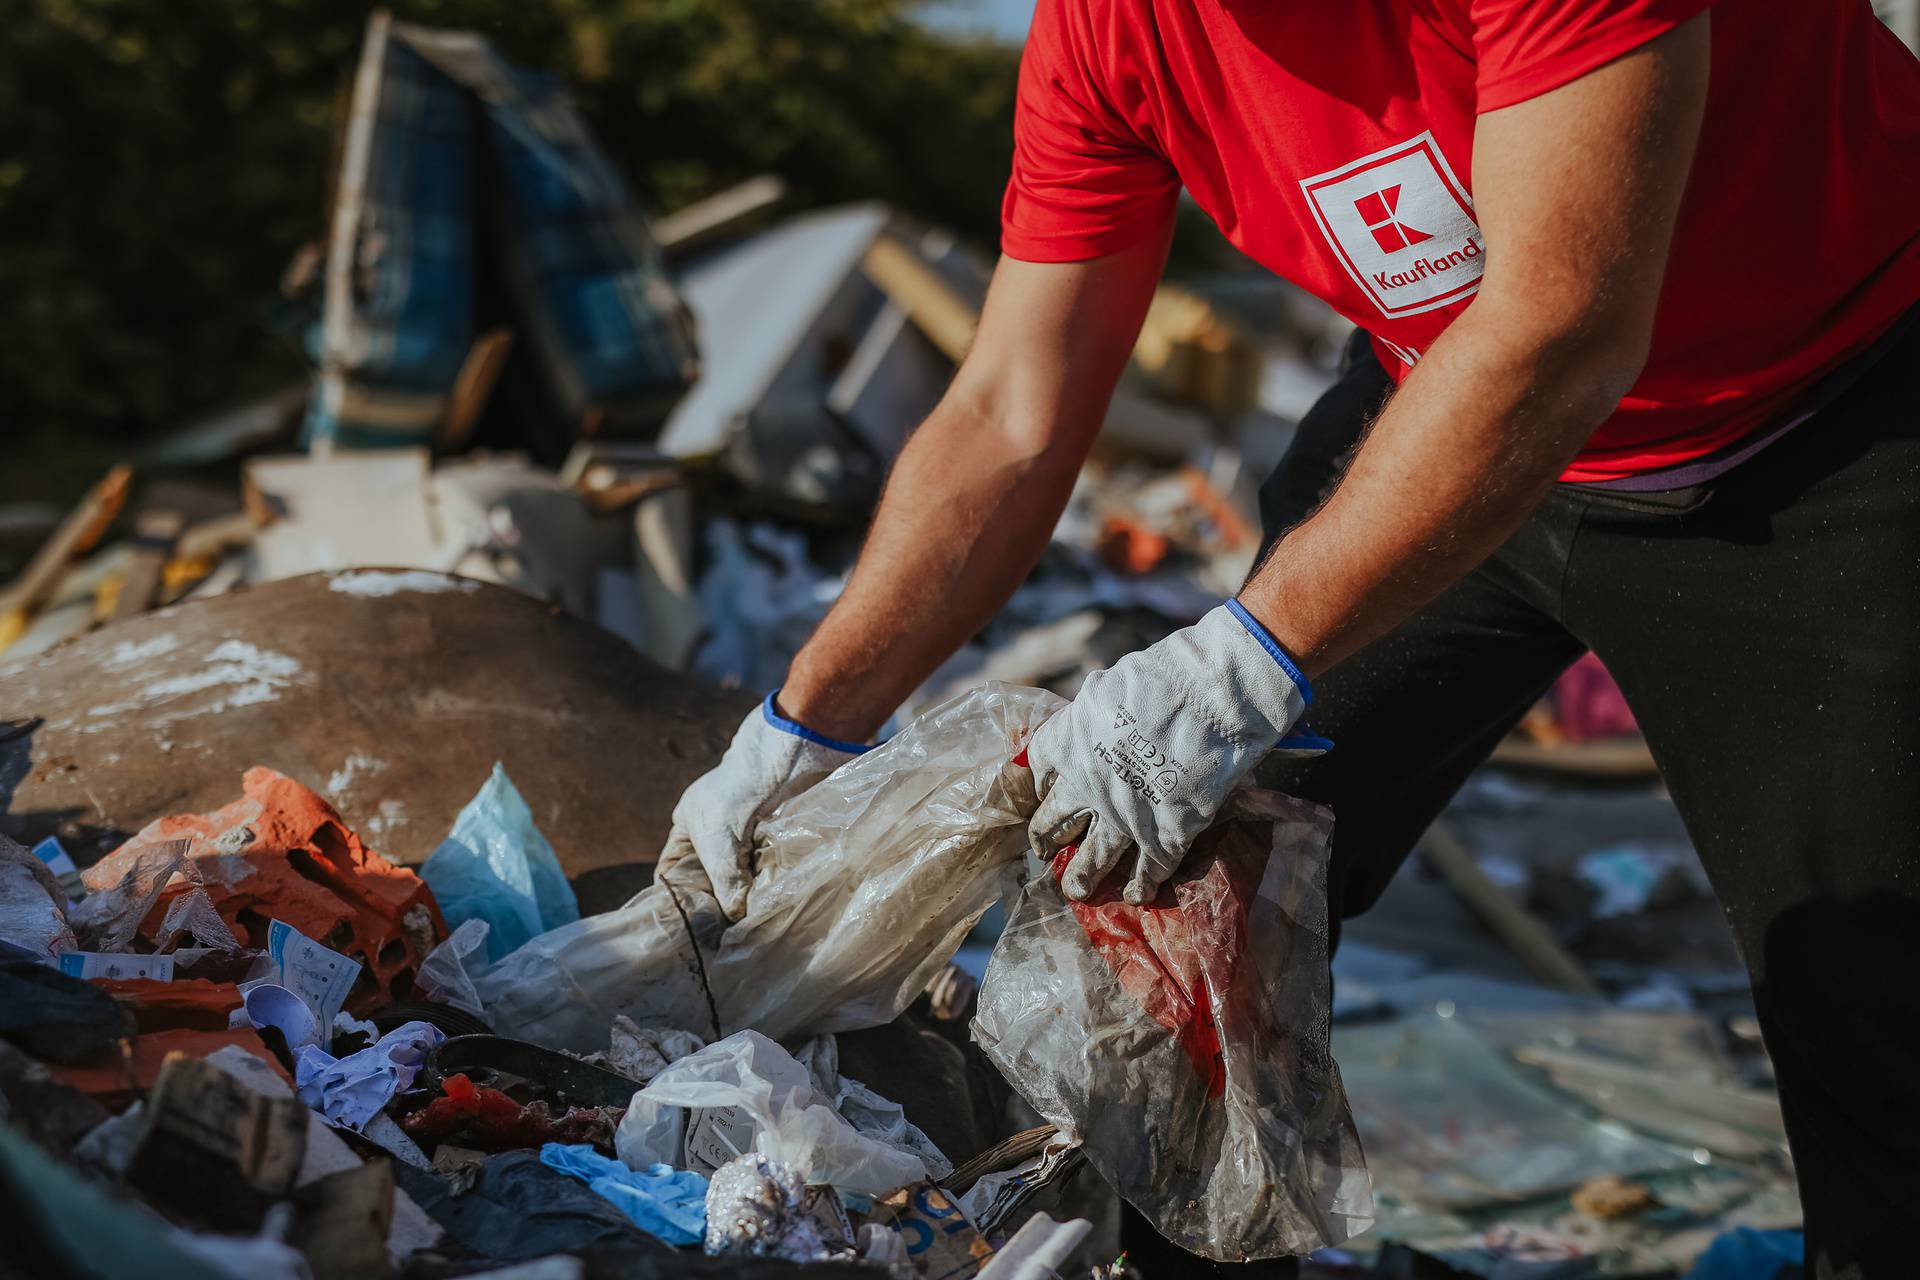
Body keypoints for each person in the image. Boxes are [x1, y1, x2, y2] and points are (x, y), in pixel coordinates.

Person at [662, 3, 1920, 1275]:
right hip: (1445, 404)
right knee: (1170, 875)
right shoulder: (1108, 30)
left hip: (1820, 434)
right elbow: (1009, 408)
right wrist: (801, 722)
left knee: (1870, 1015)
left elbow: (1565, 326)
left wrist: (1239, 659)